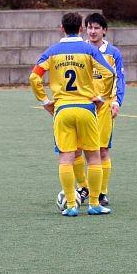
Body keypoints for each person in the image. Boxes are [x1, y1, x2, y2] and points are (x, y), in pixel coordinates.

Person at [31, 12, 116, 216]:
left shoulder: (52, 52)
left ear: (62, 28)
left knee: (66, 158)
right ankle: (94, 204)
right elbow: (109, 73)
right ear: (81, 28)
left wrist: (45, 101)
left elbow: (34, 77)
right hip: (86, 109)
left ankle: (71, 205)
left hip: (62, 110)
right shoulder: (89, 50)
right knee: (93, 157)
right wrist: (101, 97)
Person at [85, 12, 125, 206]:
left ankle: (101, 192)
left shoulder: (113, 53)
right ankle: (83, 188)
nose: (92, 31)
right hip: (83, 107)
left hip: (104, 108)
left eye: (96, 28)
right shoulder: (81, 50)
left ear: (104, 30)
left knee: (102, 151)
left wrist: (116, 102)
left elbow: (119, 79)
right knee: (77, 151)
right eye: (89, 28)